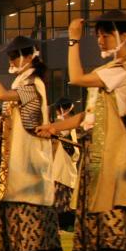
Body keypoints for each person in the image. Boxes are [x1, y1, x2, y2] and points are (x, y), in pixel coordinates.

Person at [37, 12, 126, 251]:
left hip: (121, 156)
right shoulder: (113, 68)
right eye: (97, 34)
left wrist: (73, 40)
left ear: (123, 36)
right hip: (105, 154)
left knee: (117, 219)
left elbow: (76, 78)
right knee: (101, 220)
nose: (100, 39)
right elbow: (86, 116)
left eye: (105, 34)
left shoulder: (123, 69)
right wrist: (54, 127)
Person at [0, 38, 62, 251]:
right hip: (16, 160)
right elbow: (10, 120)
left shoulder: (32, 84)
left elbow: (1, 94)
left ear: (28, 57)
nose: (11, 62)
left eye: (14, 57)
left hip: (29, 160)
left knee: (29, 214)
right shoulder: (24, 83)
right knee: (16, 214)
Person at [48, 98, 79, 232]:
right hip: (61, 169)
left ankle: (67, 226)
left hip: (64, 169)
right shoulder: (69, 126)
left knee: (64, 202)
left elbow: (73, 150)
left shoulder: (68, 126)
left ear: (63, 110)